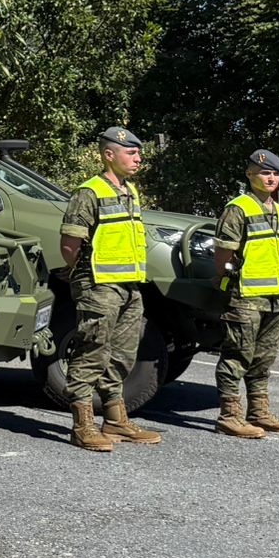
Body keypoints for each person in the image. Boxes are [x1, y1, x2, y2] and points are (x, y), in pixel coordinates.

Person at [56, 127, 163, 451]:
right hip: (100, 285)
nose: (138, 158)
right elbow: (69, 244)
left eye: (138, 153)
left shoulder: (130, 190)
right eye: (131, 153)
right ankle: (82, 425)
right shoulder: (89, 192)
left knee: (122, 354)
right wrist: (83, 277)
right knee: (92, 352)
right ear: (109, 154)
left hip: (130, 286)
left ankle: (116, 419)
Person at [211, 150, 279, 438]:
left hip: (276, 295)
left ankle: (259, 413)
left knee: (264, 357)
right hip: (247, 296)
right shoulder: (238, 208)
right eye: (265, 172)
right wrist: (225, 276)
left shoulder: (278, 210)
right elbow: (224, 251)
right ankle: (229, 415)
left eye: (275, 173)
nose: (271, 178)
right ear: (250, 174)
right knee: (237, 355)